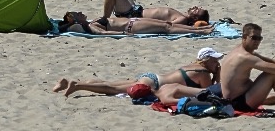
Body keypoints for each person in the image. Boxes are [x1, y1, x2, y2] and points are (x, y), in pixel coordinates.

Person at [53, 48, 223, 100]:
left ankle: (67, 82)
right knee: (111, 88)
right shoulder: (203, 74)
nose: (217, 63)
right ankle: (77, 85)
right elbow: (210, 92)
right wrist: (217, 74)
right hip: (153, 84)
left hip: (151, 77)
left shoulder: (192, 65)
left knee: (110, 83)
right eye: (215, 60)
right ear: (206, 60)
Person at [101, 0, 210, 26]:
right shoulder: (181, 15)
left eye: (197, 10)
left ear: (195, 17)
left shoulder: (182, 19)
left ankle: (105, 19)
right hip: (136, 10)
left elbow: (166, 25)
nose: (195, 7)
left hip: (133, 15)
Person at [56, 11, 210, 36]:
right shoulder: (89, 26)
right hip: (131, 27)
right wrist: (122, 34)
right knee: (166, 28)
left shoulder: (90, 22)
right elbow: (102, 34)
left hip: (133, 21)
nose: (81, 12)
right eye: (78, 14)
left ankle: (195, 29)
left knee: (168, 24)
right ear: (76, 20)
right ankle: (200, 32)